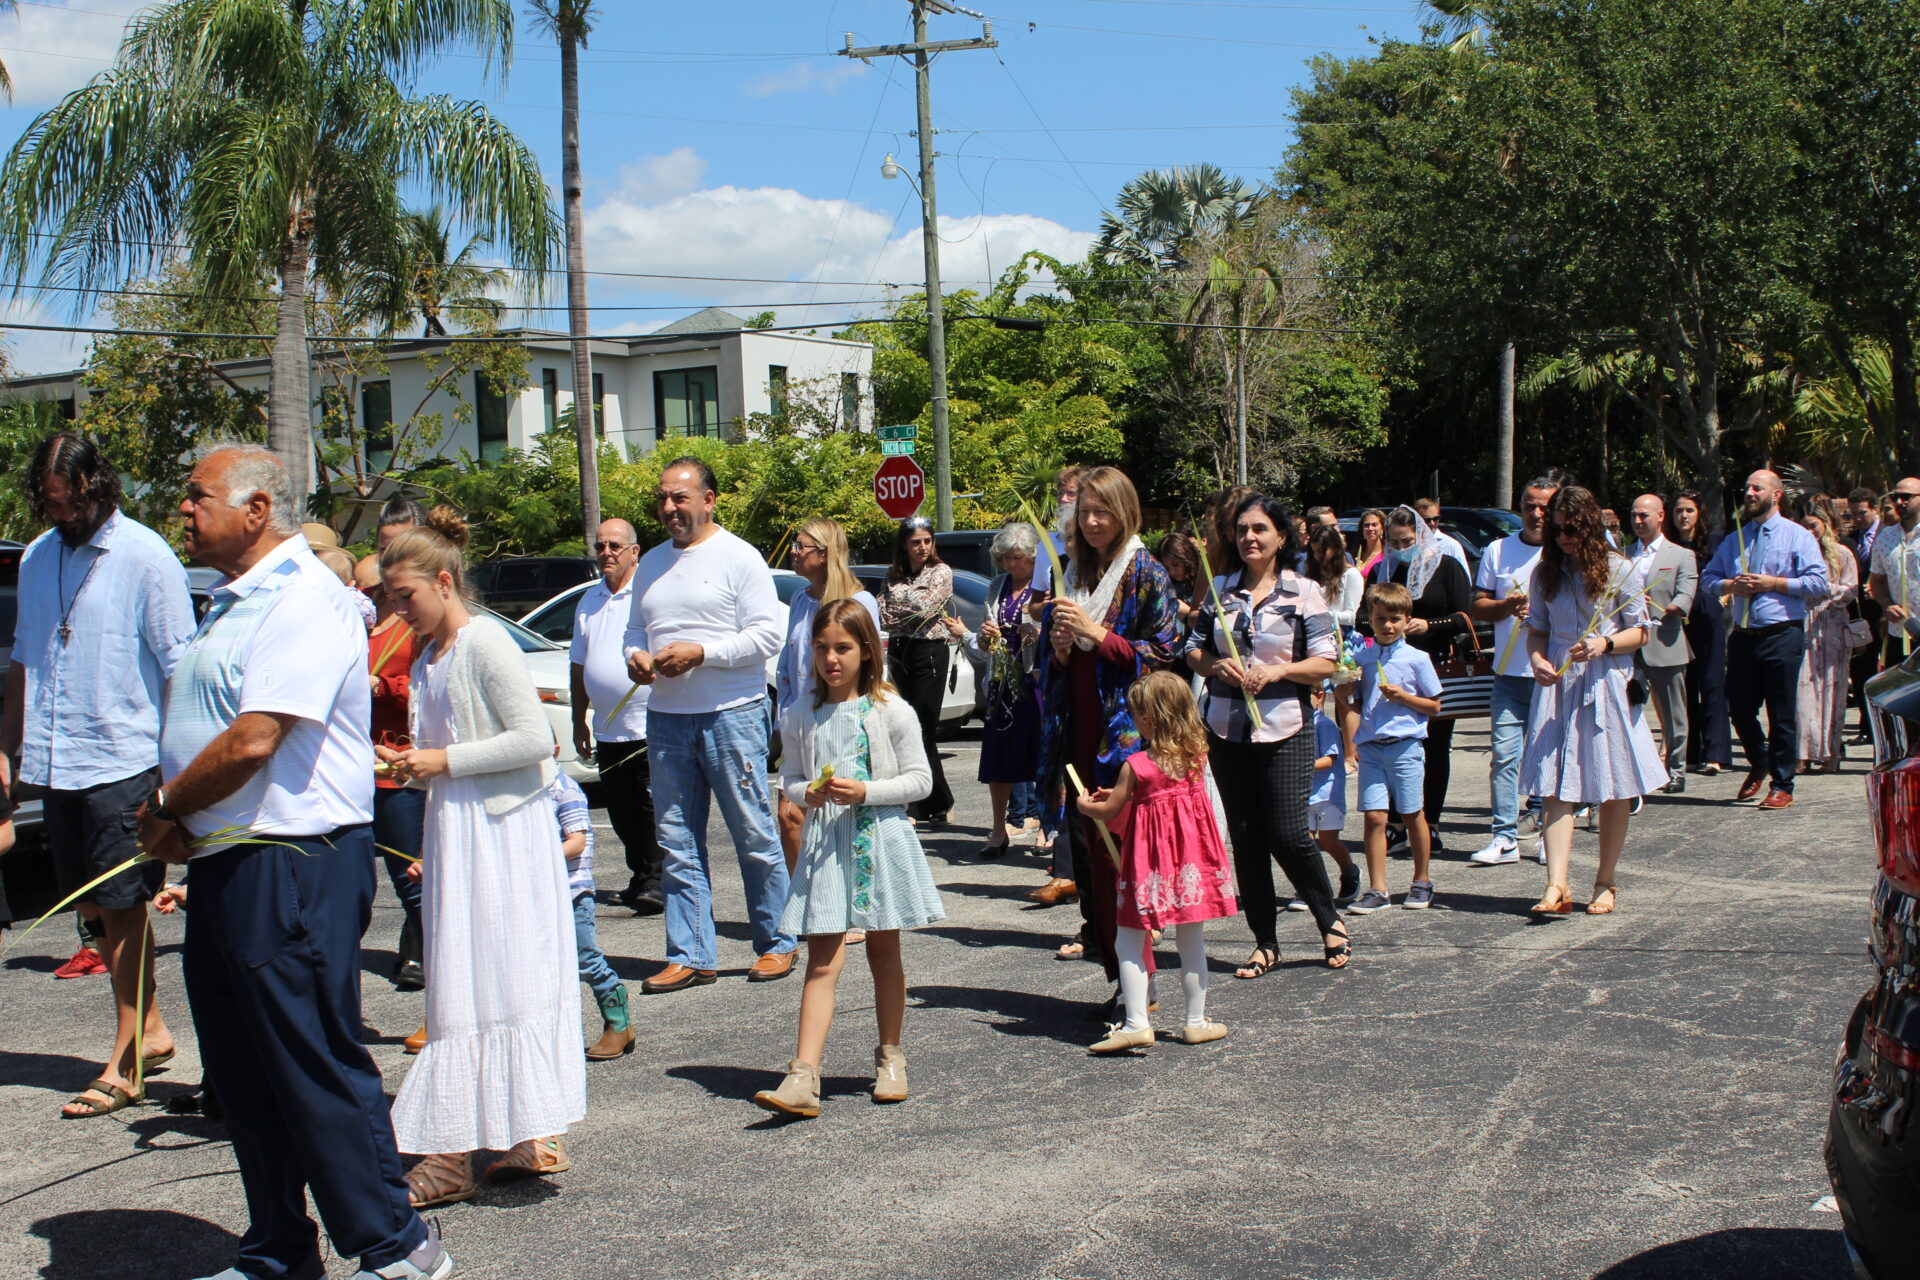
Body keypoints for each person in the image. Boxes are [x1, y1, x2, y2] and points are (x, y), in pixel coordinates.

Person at [137, 443, 451, 1280]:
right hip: (229, 857)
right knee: (243, 1072)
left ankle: (397, 1245)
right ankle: (277, 1246)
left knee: (313, 1059)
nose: (183, 510)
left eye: (197, 496)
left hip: (294, 859)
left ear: (254, 510)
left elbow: (255, 737)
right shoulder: (229, 601)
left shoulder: (305, 599)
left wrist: (169, 806)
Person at [377, 507, 586, 1205]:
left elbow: (535, 741)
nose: (398, 610)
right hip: (459, 828)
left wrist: (440, 759)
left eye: (406, 595)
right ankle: (508, 1133)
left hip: (502, 837)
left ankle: (456, 1150)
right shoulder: (430, 655)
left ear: (443, 581)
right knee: (472, 975)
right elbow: (449, 749)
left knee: (488, 976)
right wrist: (412, 764)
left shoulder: (485, 641)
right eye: (390, 597)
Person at [4, 433, 193, 1120]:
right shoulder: (35, 557)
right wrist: (7, 751)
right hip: (57, 760)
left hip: (123, 756)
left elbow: (180, 668)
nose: (62, 518)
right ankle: (150, 1028)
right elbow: (25, 661)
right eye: (50, 506)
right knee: (89, 909)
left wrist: (177, 778)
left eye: (71, 505)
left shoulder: (145, 555)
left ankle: (126, 1061)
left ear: (96, 487)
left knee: (121, 904)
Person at [755, 600, 945, 1118]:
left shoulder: (891, 709)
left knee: (884, 955)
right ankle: (802, 1076)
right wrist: (806, 793)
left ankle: (891, 1059)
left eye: (842, 648)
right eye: (821, 648)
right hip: (826, 847)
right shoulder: (799, 714)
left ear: (867, 651)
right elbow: (790, 778)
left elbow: (920, 780)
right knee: (822, 961)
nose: (831, 659)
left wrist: (865, 790)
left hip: (878, 838)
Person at [624, 457, 796, 991]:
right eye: (664, 499)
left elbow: (769, 636)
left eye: (681, 497)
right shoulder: (649, 563)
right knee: (676, 839)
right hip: (667, 720)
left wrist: (703, 652)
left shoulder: (739, 557)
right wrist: (634, 655)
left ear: (709, 499)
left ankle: (776, 941)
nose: (670, 508)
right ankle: (690, 953)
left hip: (732, 715)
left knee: (752, 832)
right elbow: (634, 628)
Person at [1036, 466, 1184, 1002]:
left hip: (1123, 742)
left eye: (1104, 511)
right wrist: (1055, 650)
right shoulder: (1074, 570)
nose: (1093, 521)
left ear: (1125, 513)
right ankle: (1120, 978)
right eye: (1086, 512)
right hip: (1075, 736)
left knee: (1124, 865)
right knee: (1094, 870)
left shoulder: (1145, 571)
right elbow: (1056, 659)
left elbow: (1164, 656)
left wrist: (1100, 636)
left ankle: (1138, 982)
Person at [1184, 493, 1347, 975]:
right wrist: (1217, 665)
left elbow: (1328, 662)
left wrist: (1276, 673)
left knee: (1289, 833)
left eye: (1260, 529)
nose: (1250, 537)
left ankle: (1329, 920)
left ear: (1280, 537)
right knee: (1247, 836)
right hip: (1226, 730)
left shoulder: (1305, 592)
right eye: (1242, 530)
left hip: (1286, 727)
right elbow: (1192, 650)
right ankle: (1265, 941)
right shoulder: (1220, 589)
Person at [1520, 486, 1668, 916]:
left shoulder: (1620, 570)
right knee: (1554, 784)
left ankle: (1605, 881)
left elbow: (1640, 631)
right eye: (1558, 529)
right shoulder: (1545, 573)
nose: (1565, 537)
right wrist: (1536, 660)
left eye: (1573, 529)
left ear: (1590, 527)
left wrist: (1604, 643)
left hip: (1605, 682)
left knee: (1612, 785)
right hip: (1559, 685)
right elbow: (1537, 628)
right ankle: (1557, 885)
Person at [1074, 670, 1239, 1053]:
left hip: (1149, 864)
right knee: (1191, 940)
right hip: (1190, 864)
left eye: (1136, 714)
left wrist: (1085, 803)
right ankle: (1196, 1021)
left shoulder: (1136, 765)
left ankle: (1136, 1023)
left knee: (1129, 937)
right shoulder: (1196, 757)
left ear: (1149, 719)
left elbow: (1110, 809)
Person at [1702, 470, 1829, 811]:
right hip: (1744, 635)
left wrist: (1774, 583)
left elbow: (1819, 583)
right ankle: (1759, 760)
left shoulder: (1797, 536)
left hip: (1782, 632)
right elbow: (1708, 578)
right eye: (1746, 488)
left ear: (1776, 495)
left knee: (1781, 712)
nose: (1749, 493)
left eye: (1757, 488)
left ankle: (1782, 783)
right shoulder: (1736, 540)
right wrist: (1730, 586)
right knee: (1738, 707)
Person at [1364, 505, 1474, 850]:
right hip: (1389, 668)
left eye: (1407, 541)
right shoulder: (1383, 570)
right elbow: (1361, 614)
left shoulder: (1446, 565)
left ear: (1422, 535)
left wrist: (1431, 625)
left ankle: (1432, 822)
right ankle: (1397, 823)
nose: (1401, 547)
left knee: (1435, 747)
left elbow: (1465, 615)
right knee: (1392, 744)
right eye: (1394, 542)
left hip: (1433, 665)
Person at [570, 517, 664, 914]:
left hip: (648, 724)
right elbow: (578, 664)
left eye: (614, 546)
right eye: (600, 546)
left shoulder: (648, 594)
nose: (606, 553)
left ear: (634, 551)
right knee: (621, 810)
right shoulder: (589, 600)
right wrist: (579, 720)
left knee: (649, 809)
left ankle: (659, 880)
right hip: (607, 726)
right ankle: (640, 874)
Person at [776, 518, 880, 873]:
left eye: (801, 546)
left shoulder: (859, 601)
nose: (793, 552)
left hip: (844, 724)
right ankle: (804, 906)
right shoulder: (799, 600)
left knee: (841, 823)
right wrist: (785, 722)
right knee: (790, 815)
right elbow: (786, 668)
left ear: (824, 554)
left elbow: (874, 667)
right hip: (801, 724)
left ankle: (848, 911)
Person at [1468, 474, 1560, 865]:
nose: (1536, 514)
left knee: (1549, 758)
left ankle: (1547, 835)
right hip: (1507, 673)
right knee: (1504, 756)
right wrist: (1506, 607)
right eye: (1529, 506)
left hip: (1551, 672)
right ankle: (1504, 837)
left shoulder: (1563, 553)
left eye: (1545, 507)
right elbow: (1477, 604)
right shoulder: (1498, 549)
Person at [1348, 584, 1444, 913]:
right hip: (1373, 747)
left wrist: (1404, 698)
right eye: (1380, 619)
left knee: (1412, 813)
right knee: (1374, 816)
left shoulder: (1417, 659)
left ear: (1407, 621)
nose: (1387, 626)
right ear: (1370, 622)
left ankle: (1422, 880)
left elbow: (1434, 706)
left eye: (1395, 619)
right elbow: (1356, 702)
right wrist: (1345, 688)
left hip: (1405, 746)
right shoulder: (1364, 658)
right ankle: (1378, 888)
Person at [545, 755, 634, 1061]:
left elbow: (576, 842)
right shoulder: (521, 794)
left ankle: (618, 1021)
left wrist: (532, 858)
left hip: (571, 893)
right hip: (538, 894)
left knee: (584, 959)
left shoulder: (563, 789)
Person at [968, 522, 1047, 857]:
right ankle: (999, 830)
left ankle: (1046, 826)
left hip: (1035, 679)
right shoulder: (997, 586)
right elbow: (982, 642)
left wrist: (1037, 631)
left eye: (1019, 558)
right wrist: (985, 637)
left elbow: (1053, 629)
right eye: (1006, 559)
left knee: (1041, 754)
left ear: (1032, 557)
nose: (1012, 565)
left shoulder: (1044, 586)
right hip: (1002, 680)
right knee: (999, 757)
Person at [878, 516, 956, 824]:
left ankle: (924, 802)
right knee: (906, 727)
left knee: (922, 727)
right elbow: (882, 614)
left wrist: (900, 601)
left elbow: (929, 606)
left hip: (930, 653)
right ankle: (936, 801)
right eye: (915, 542)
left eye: (927, 541)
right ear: (904, 545)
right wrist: (904, 605)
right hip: (900, 652)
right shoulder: (892, 573)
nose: (922, 547)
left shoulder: (941, 571)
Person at [1628, 494, 1697, 792]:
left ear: (1660, 516)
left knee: (1673, 713)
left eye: (1644, 515)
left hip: (1665, 642)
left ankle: (1677, 769)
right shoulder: (1622, 554)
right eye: (1634, 515)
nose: (1638, 521)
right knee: (1626, 710)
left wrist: (1653, 606)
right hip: (1627, 645)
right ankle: (1633, 769)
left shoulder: (1681, 555)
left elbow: (1684, 599)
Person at [1670, 489, 1732, 776]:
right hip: (1678, 619)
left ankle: (1715, 752)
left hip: (1708, 615)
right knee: (1686, 686)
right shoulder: (1669, 545)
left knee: (1712, 683)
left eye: (1689, 510)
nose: (1683, 516)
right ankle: (1691, 752)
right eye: (1679, 510)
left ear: (1699, 514)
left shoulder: (1715, 541)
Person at [1798, 509, 1859, 774]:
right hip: (1805, 623)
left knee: (1832, 690)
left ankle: (1830, 752)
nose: (1810, 531)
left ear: (1825, 524)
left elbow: (1851, 589)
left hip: (1833, 624)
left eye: (1814, 525)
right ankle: (1801, 753)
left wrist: (1825, 589)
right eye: (1805, 527)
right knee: (1803, 691)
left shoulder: (1842, 554)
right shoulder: (1798, 553)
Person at [1308, 684, 1359, 904]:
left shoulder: (1324, 724)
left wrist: (1301, 764)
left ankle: (1349, 870)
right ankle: (1308, 887)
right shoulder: (1293, 725)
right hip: (1304, 795)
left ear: (1320, 697)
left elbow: (1329, 760)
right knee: (1305, 844)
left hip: (1328, 794)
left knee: (1329, 843)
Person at [1869, 477, 1920, 673]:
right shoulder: (1885, 538)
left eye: (1906, 497)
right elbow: (1877, 580)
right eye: (1896, 497)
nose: (1899, 502)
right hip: (1900, 632)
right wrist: (1886, 605)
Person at [1848, 487, 1883, 739]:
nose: (1858, 519)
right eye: (1854, 514)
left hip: (1888, 611)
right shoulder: (1850, 540)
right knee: (1862, 670)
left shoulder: (1888, 535)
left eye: (1862, 513)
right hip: (1861, 615)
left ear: (1874, 509)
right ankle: (1867, 725)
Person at [1308, 523, 1366, 631]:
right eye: (1314, 552)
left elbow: (1353, 617)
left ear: (1335, 548)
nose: (1317, 556)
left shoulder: (1351, 574)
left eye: (1321, 551)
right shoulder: (1314, 574)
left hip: (1342, 640)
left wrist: (1319, 615)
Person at [1413, 497, 1470, 570]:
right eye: (1427, 520)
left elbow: (1464, 578)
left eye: (1435, 519)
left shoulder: (1451, 545)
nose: (1432, 523)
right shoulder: (1408, 544)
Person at [1356, 508, 1387, 579]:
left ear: (1382, 529)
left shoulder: (1386, 555)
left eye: (1374, 524)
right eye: (1366, 525)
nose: (1370, 528)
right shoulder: (1355, 553)